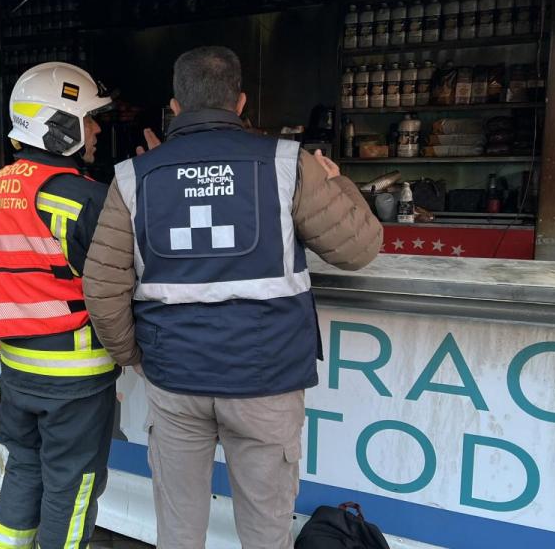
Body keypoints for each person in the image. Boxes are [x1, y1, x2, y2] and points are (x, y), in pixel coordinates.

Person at [83, 46, 382, 549]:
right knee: (266, 532)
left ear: (174, 107)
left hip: (176, 379)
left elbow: (102, 285)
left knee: (178, 532)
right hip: (266, 380)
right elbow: (360, 249)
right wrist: (338, 183)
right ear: (240, 102)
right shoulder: (290, 164)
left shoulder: (133, 177)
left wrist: (135, 356)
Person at [0, 62, 120, 549]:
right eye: (89, 119)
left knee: (25, 470)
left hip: (15, 372)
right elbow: (119, 287)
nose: (95, 130)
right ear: (60, 125)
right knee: (72, 489)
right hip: (75, 379)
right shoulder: (86, 199)